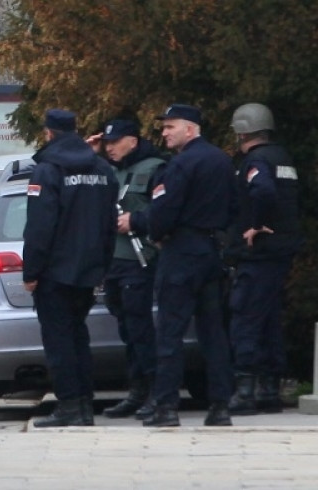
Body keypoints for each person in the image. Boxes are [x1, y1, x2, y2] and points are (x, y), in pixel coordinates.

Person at [123, 103, 236, 427]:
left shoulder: (181, 164)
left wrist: (150, 229)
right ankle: (220, 406)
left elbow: (163, 212)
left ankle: (166, 407)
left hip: (181, 253)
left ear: (190, 128)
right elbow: (233, 207)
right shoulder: (221, 160)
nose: (164, 132)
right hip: (211, 252)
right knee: (213, 333)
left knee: (170, 332)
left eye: (170, 126)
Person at [23, 109, 118, 428]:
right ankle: (84, 405)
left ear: (49, 133)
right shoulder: (104, 170)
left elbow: (39, 227)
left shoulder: (48, 171)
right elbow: (108, 223)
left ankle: (69, 406)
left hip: (54, 271)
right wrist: (102, 266)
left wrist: (31, 272)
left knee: (59, 340)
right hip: (88, 270)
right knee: (78, 336)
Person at [224, 103, 301, 416]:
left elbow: (263, 192)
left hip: (259, 255)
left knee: (246, 318)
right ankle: (269, 388)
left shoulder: (255, 161)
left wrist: (255, 225)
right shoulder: (283, 159)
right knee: (269, 321)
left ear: (243, 131)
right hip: (281, 251)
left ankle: (245, 393)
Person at [87, 119, 165, 420]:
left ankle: (155, 392)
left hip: (139, 260)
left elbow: (165, 208)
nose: (109, 148)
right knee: (127, 331)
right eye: (106, 143)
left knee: (141, 330)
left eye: (115, 142)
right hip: (114, 263)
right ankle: (136, 391)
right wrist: (88, 151)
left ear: (132, 141)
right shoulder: (108, 170)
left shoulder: (155, 167)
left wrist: (137, 219)